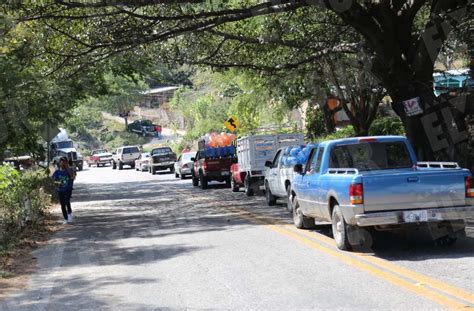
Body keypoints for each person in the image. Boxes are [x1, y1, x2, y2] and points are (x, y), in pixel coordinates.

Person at [52, 157, 75, 224]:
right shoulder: (57, 172)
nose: (63, 164)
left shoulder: (70, 170)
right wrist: (57, 183)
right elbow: (53, 181)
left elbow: (72, 177)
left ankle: (69, 213)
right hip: (60, 190)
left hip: (68, 189)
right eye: (62, 162)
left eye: (65, 162)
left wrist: (67, 167)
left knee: (66, 201)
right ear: (60, 163)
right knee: (62, 204)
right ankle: (65, 218)